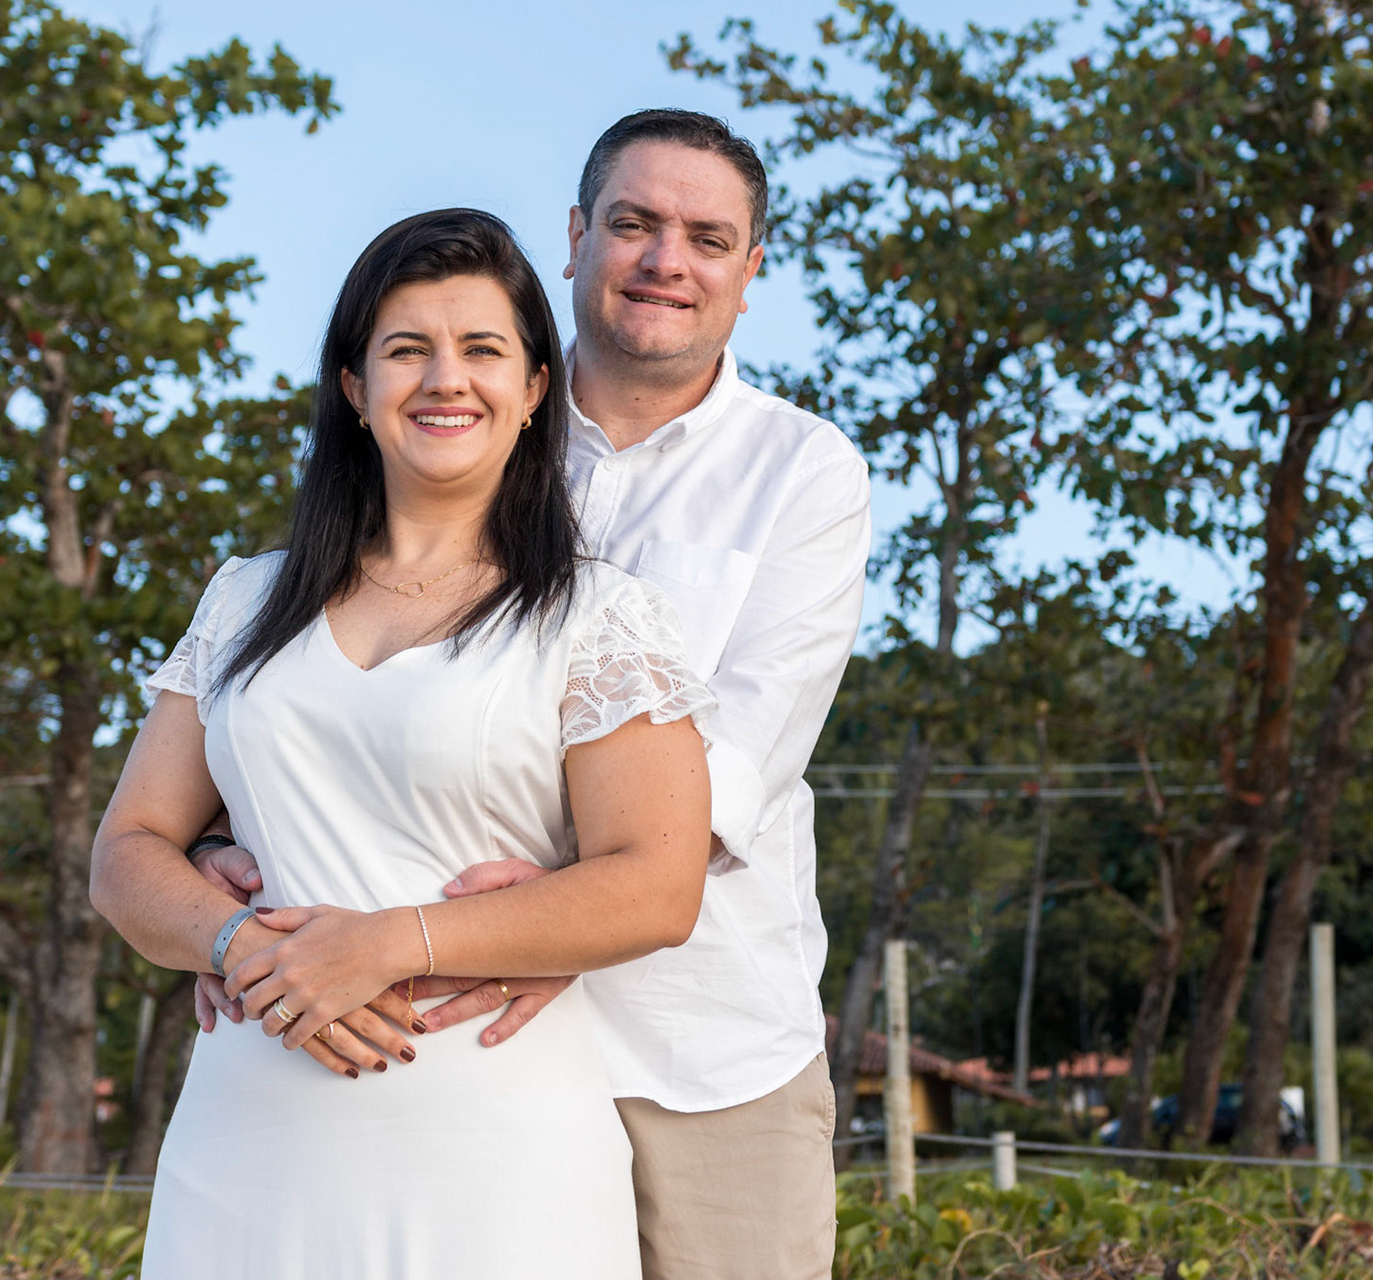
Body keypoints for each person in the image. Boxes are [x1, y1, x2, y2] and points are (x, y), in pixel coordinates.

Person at [189, 110, 871, 1279]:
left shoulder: (804, 473)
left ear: (750, 273)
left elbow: (744, 754)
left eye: (708, 237)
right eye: (635, 223)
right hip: (430, 1045)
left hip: (690, 1041)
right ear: (575, 236)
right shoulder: (456, 419)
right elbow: (322, 689)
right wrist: (221, 847)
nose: (667, 259)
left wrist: (572, 906)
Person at [90, 209, 717, 1279]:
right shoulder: (243, 599)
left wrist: (388, 942)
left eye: (482, 350)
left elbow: (659, 882)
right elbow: (127, 850)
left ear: (532, 391)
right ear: (353, 386)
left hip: (497, 1156)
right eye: (405, 349)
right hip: (245, 1146)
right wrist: (240, 943)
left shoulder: (601, 617)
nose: (445, 379)